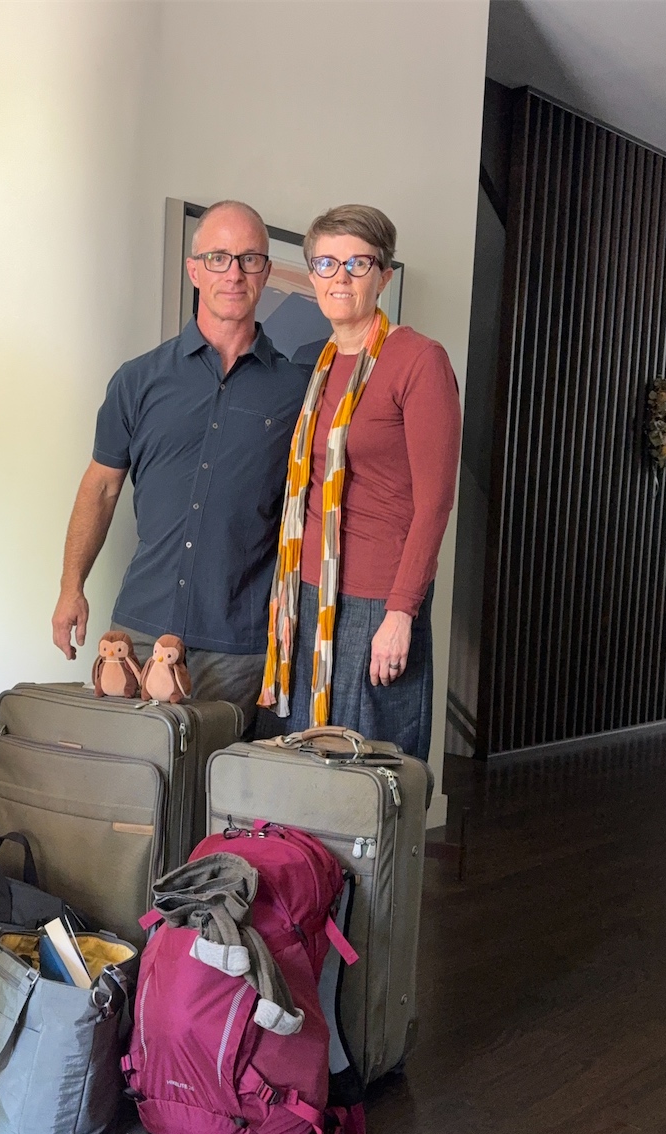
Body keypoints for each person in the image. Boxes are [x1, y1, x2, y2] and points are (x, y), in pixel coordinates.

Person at [52, 201, 311, 730]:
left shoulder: (297, 392)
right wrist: (70, 586)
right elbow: (101, 487)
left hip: (239, 645)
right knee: (132, 777)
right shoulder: (138, 380)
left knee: (223, 781)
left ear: (265, 273)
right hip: (137, 634)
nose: (233, 274)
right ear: (194, 270)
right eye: (218, 258)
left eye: (249, 259)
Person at [258, 204, 461, 762]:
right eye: (326, 263)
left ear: (384, 276)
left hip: (377, 602)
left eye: (358, 263)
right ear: (312, 274)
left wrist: (401, 613)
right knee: (299, 765)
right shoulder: (316, 362)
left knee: (364, 769)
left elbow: (435, 502)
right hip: (304, 596)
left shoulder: (419, 360)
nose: (340, 277)